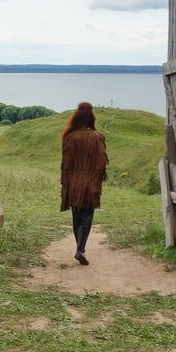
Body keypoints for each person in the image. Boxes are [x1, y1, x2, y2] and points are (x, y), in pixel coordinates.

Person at [60, 102, 108, 265]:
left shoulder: (69, 137)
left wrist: (67, 183)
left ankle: (79, 248)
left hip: (73, 184)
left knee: (77, 216)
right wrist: (97, 180)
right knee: (87, 216)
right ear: (91, 117)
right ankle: (80, 249)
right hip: (90, 184)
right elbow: (102, 163)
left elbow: (65, 164)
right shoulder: (97, 137)